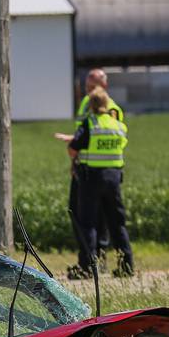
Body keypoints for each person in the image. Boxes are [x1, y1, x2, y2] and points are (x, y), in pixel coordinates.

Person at [55, 69, 125, 266]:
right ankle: (90, 258)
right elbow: (85, 138)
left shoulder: (111, 109)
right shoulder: (87, 103)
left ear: (104, 87)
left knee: (98, 218)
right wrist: (73, 163)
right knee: (77, 213)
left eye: (92, 87)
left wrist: (74, 143)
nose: (88, 91)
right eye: (86, 87)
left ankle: (96, 261)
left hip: (98, 171)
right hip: (84, 167)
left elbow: (104, 136)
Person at [67, 86, 134, 277]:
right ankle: (126, 266)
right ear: (106, 104)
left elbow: (73, 148)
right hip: (114, 179)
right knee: (117, 223)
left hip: (91, 179)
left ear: (90, 105)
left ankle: (88, 268)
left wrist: (76, 159)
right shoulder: (118, 126)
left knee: (87, 223)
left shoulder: (90, 123)